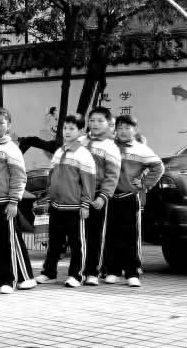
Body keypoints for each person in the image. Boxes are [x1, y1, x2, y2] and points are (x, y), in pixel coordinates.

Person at [0, 107, 36, 294]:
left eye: (0, 122)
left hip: (4, 203)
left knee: (9, 242)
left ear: (8, 126)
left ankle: (13, 279)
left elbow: (19, 177)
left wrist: (13, 201)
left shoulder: (11, 149)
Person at [102, 115, 164, 287]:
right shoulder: (109, 146)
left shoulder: (141, 149)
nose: (123, 131)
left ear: (135, 130)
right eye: (120, 128)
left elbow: (158, 167)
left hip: (129, 198)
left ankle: (132, 273)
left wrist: (145, 184)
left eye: (127, 128)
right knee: (111, 236)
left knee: (131, 236)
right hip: (110, 198)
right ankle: (113, 271)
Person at [36, 113, 94, 288]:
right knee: (54, 242)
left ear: (81, 131)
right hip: (56, 206)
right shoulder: (59, 151)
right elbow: (51, 178)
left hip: (75, 208)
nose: (67, 132)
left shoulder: (84, 154)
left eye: (72, 129)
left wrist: (85, 204)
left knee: (77, 243)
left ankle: (76, 275)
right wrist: (48, 198)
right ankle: (49, 273)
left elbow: (89, 183)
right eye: (65, 128)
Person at [81, 107, 121, 285]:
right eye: (92, 120)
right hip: (78, 195)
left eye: (100, 121)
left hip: (97, 196)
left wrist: (103, 197)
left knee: (96, 236)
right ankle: (78, 270)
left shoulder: (110, 147)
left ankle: (93, 272)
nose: (95, 124)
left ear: (108, 124)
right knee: (80, 235)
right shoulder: (80, 142)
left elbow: (112, 175)